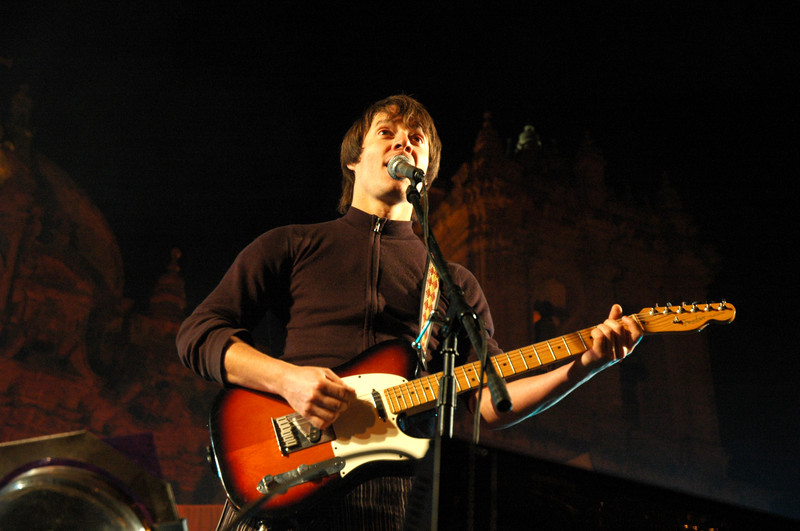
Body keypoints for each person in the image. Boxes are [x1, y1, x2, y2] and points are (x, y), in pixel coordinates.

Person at [176, 94, 642, 530]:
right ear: (354, 158)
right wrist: (285, 379)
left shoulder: (454, 283)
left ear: (426, 171)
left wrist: (586, 365)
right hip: (284, 481)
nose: (404, 141)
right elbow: (198, 334)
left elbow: (488, 399)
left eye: (417, 139)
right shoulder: (293, 244)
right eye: (387, 132)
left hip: (393, 498)